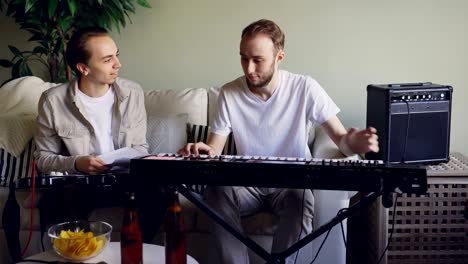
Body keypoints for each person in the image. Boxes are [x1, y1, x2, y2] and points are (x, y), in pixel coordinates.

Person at [178, 19, 379, 264]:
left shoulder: (305, 87)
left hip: (290, 183)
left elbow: (341, 141)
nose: (249, 68)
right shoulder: (229, 93)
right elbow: (216, 149)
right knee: (217, 191)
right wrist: (204, 150)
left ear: (279, 57)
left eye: (257, 60)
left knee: (301, 198)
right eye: (243, 58)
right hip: (247, 184)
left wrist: (354, 142)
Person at [34, 26, 166, 242]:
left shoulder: (133, 93)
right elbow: (43, 158)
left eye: (117, 55)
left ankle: (134, 254)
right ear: (83, 68)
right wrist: (77, 163)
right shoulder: (53, 101)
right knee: (60, 200)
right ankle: (80, 254)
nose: (118, 64)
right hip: (80, 183)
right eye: (107, 60)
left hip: (124, 181)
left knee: (156, 193)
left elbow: (141, 148)